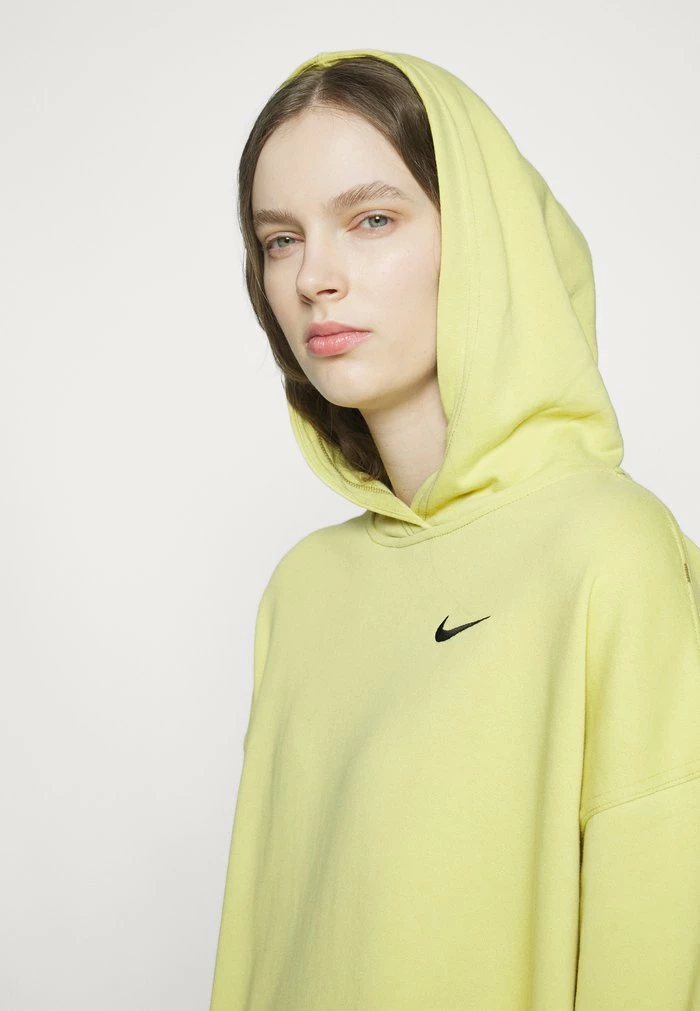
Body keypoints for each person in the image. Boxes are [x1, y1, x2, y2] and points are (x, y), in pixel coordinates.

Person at [209, 48, 700, 1010]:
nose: (315, 278)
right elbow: (264, 944)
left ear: (483, 237)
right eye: (281, 239)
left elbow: (654, 946)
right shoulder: (302, 589)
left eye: (372, 219)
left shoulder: (611, 550)